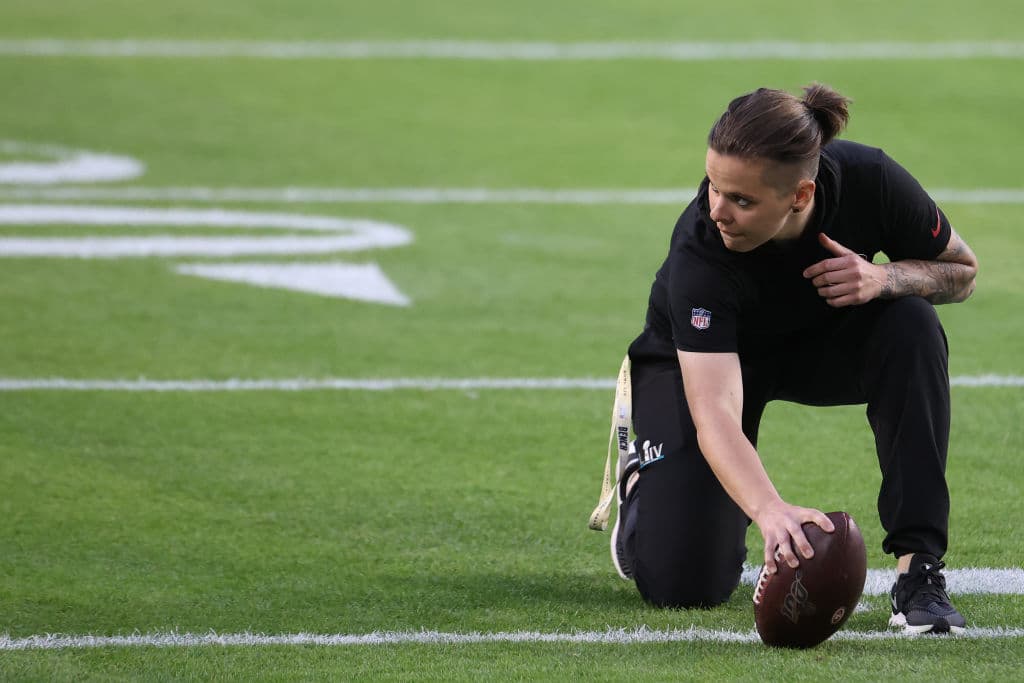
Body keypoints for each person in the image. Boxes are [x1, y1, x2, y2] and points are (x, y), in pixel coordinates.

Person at [593, 84, 978, 635]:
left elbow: (961, 272)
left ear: (799, 196)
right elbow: (715, 415)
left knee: (911, 323)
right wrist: (770, 510)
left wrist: (884, 277)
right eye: (712, 187)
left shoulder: (871, 180)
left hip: (816, 345)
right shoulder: (700, 251)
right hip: (703, 365)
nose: (716, 210)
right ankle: (644, 489)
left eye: (742, 200)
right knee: (683, 586)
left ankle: (919, 573)